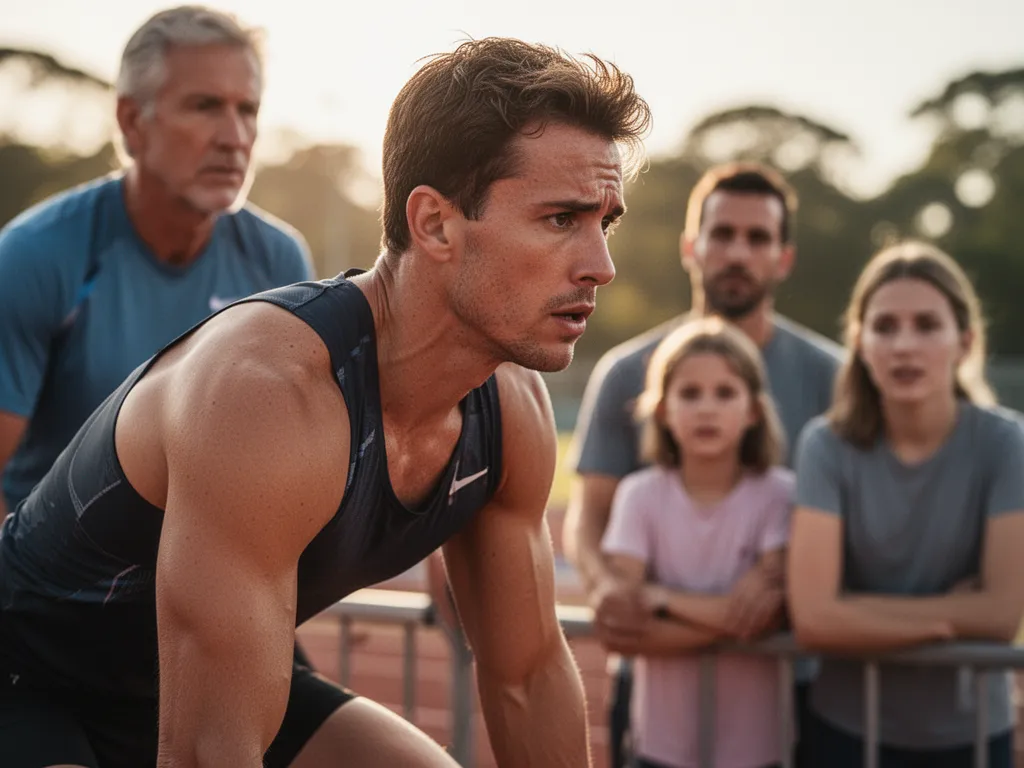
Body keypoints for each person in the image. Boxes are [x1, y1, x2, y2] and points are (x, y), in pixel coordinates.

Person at [0, 33, 652, 768]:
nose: (601, 266)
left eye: (606, 223)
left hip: (205, 679)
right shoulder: (269, 396)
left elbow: (527, 678)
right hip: (33, 681)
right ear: (434, 222)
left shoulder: (514, 409)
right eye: (561, 219)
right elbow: (203, 756)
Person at [562, 161, 843, 767]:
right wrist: (612, 587)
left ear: (783, 258)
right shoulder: (626, 374)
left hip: (791, 682)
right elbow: (590, 516)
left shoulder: (835, 378)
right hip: (654, 677)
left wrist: (782, 577)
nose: (738, 252)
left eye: (758, 237)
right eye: (722, 234)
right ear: (692, 246)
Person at [0, 5, 314, 521]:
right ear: (131, 122)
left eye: (247, 110)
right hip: (48, 584)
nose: (234, 138)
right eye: (205, 106)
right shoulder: (37, 254)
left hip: (201, 571)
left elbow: (292, 465)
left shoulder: (279, 260)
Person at [787, 240, 1024, 768]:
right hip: (847, 733)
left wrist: (858, 610)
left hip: (974, 736)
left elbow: (1002, 613)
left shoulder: (1006, 443)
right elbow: (815, 619)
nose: (904, 346)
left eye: (926, 325)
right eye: (885, 327)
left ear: (963, 342)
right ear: (861, 343)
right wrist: (946, 620)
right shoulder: (826, 446)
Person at [600, 317, 795, 768]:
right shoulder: (639, 495)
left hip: (759, 749)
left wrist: (662, 598)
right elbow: (632, 627)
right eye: (689, 393)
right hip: (659, 748)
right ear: (663, 409)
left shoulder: (780, 494)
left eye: (725, 393)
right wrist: (732, 620)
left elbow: (769, 619)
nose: (707, 408)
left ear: (753, 411)